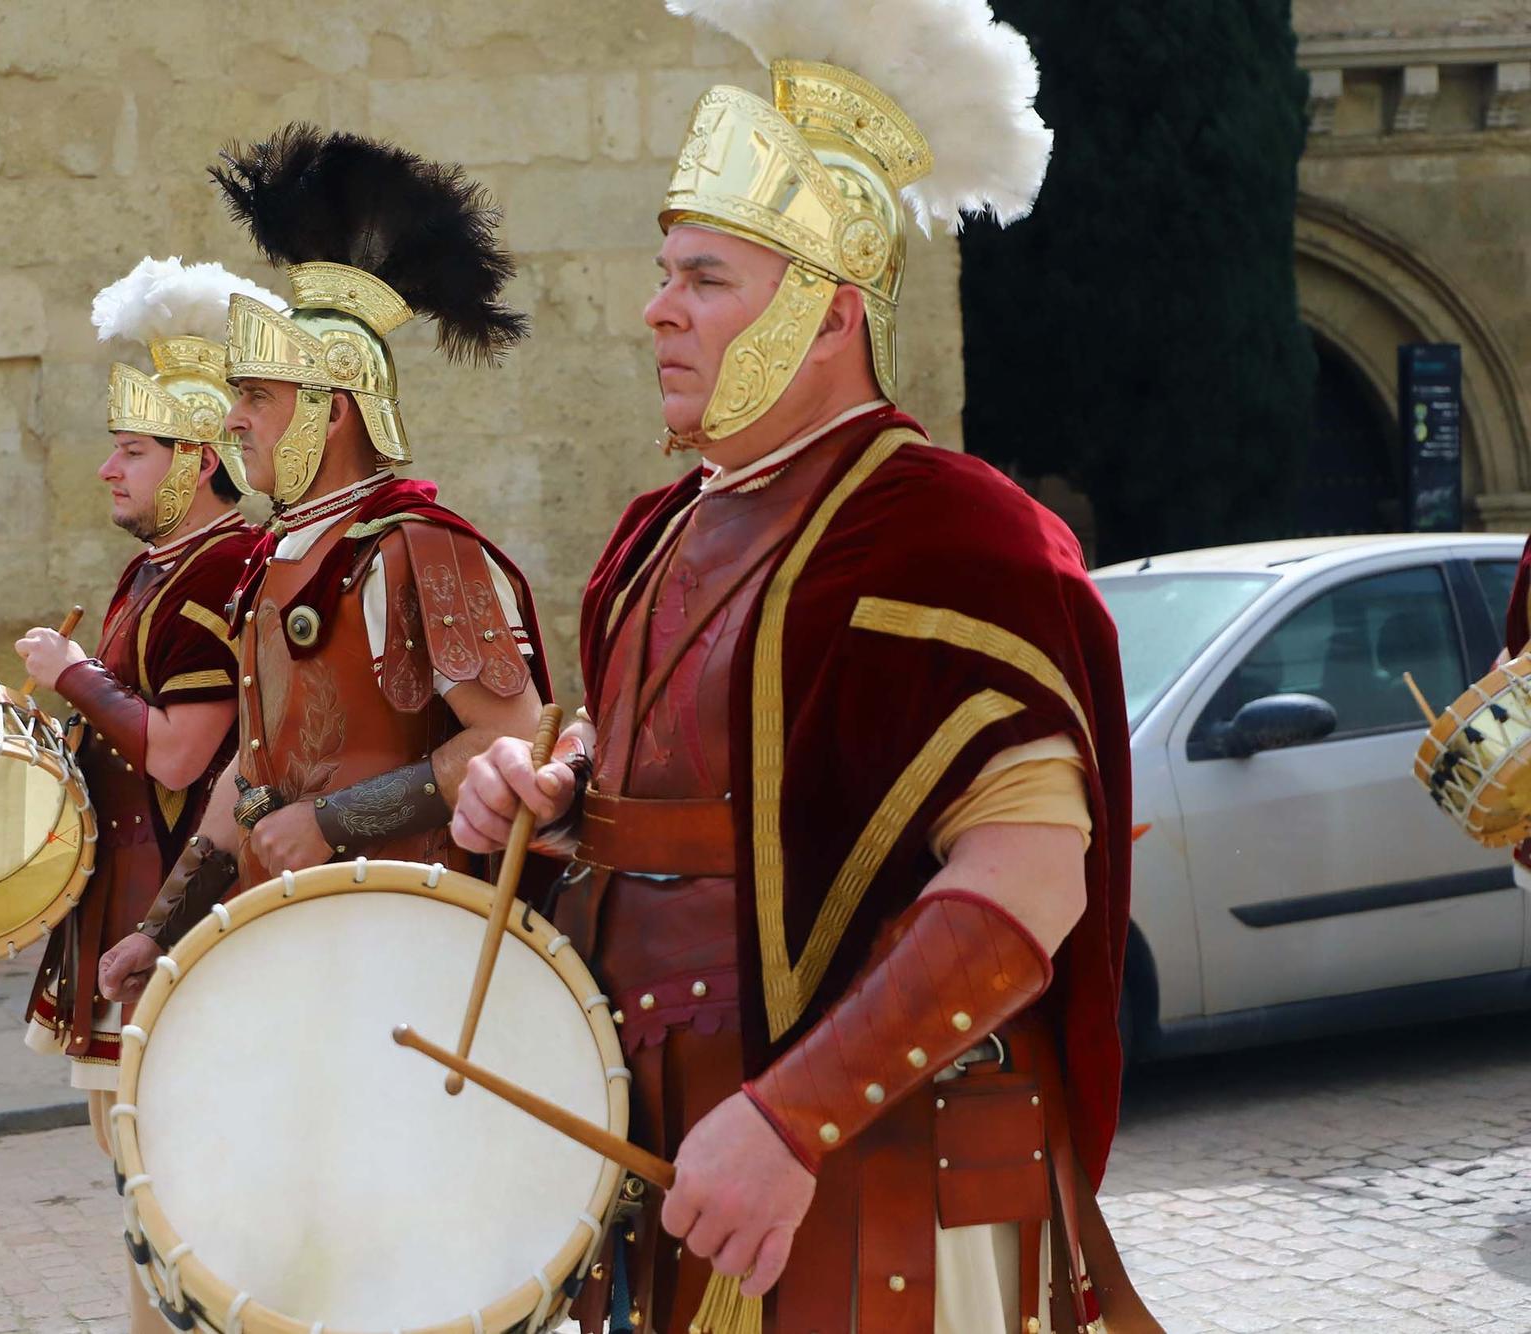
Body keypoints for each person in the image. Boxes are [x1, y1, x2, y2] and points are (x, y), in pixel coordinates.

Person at [452, 1, 1158, 1330]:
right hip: (668, 1163)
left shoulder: (958, 536)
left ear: (833, 314)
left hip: (875, 1164)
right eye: (665, 270)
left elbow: (1029, 880)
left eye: (706, 277)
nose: (656, 309)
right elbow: (659, 769)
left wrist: (791, 1117)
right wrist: (546, 787)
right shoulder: (659, 533)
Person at [170, 125, 552, 896]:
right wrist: (160, 924)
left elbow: (510, 736)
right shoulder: (276, 554)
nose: (233, 418)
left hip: (401, 936)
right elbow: (249, 773)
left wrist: (329, 822)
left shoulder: (420, 548)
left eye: (256, 397)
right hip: (288, 939)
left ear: (333, 411)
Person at [16, 256, 277, 1332]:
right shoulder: (155, 566)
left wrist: (69, 675)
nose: (107, 470)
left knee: (177, 1183)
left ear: (198, 459)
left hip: (182, 906)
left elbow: (179, 754)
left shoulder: (221, 568)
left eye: (131, 449)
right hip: (120, 903)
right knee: (136, 1180)